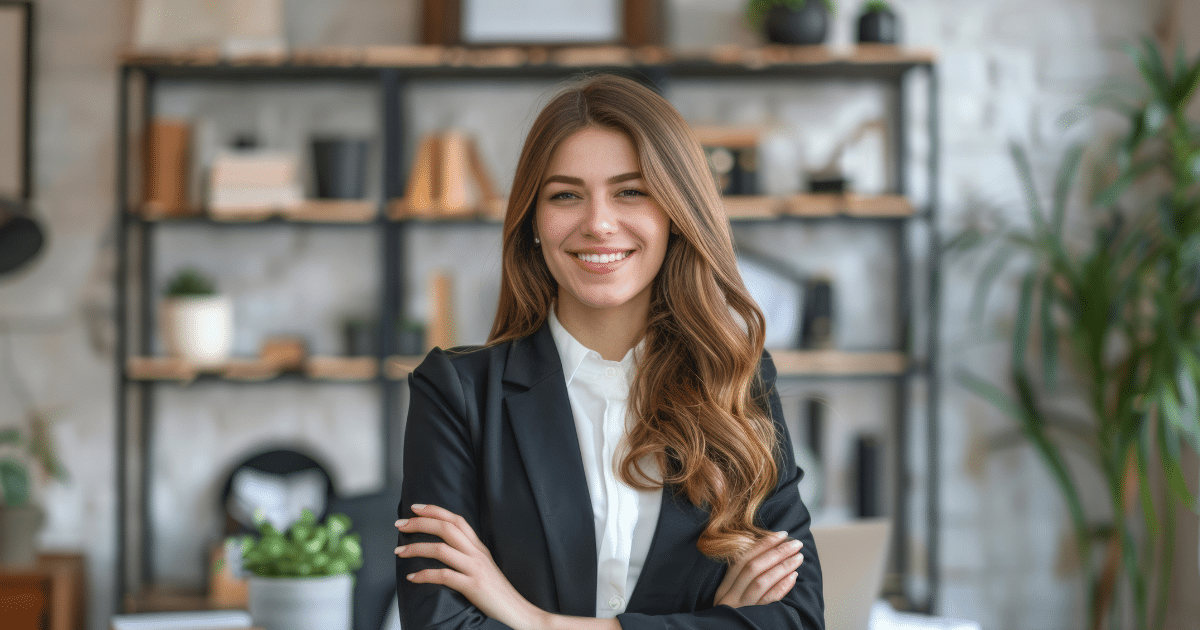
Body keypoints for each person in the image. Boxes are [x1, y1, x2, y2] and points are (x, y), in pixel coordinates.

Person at [395, 74, 823, 630]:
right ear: (532, 223)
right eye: (565, 195)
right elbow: (440, 625)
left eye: (631, 191)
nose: (597, 223)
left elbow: (796, 619)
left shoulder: (736, 380)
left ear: (676, 215)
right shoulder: (456, 395)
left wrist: (535, 621)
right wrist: (715, 620)